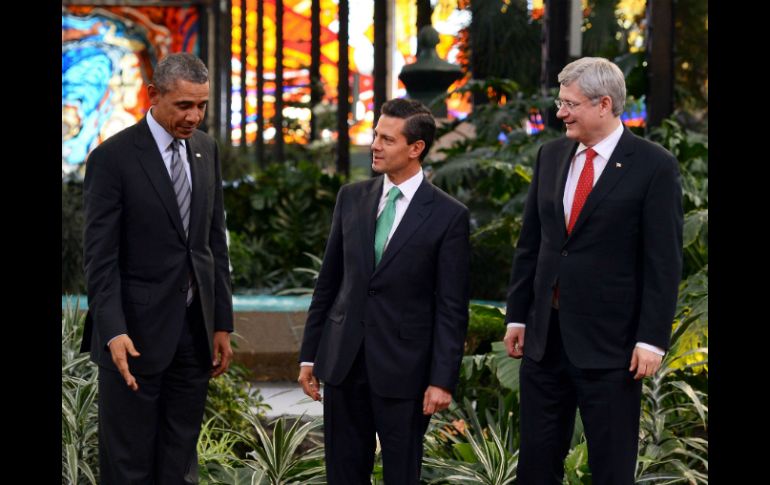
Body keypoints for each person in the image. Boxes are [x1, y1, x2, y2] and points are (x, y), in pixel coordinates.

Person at [502, 57, 683, 485]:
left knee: (611, 468)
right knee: (536, 466)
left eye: (570, 104)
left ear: (604, 104)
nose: (561, 113)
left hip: (612, 347)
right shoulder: (550, 155)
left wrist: (651, 340)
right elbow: (532, 244)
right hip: (544, 340)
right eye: (560, 102)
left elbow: (663, 261)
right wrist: (518, 316)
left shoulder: (654, 165)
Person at [297, 98, 471, 484]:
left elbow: (452, 307)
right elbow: (328, 284)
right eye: (376, 135)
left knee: (401, 475)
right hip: (344, 365)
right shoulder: (351, 197)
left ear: (415, 148)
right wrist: (309, 356)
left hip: (405, 372)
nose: (374, 145)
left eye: (387, 139)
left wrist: (442, 379)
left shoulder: (449, 215)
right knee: (343, 475)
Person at [81, 52, 234, 484]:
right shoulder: (112, 158)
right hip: (132, 339)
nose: (194, 117)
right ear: (153, 94)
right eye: (184, 105)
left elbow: (212, 244)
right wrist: (113, 330)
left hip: (194, 336)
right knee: (128, 467)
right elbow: (100, 258)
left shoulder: (205, 149)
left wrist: (221, 323)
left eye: (201, 105)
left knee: (180, 466)